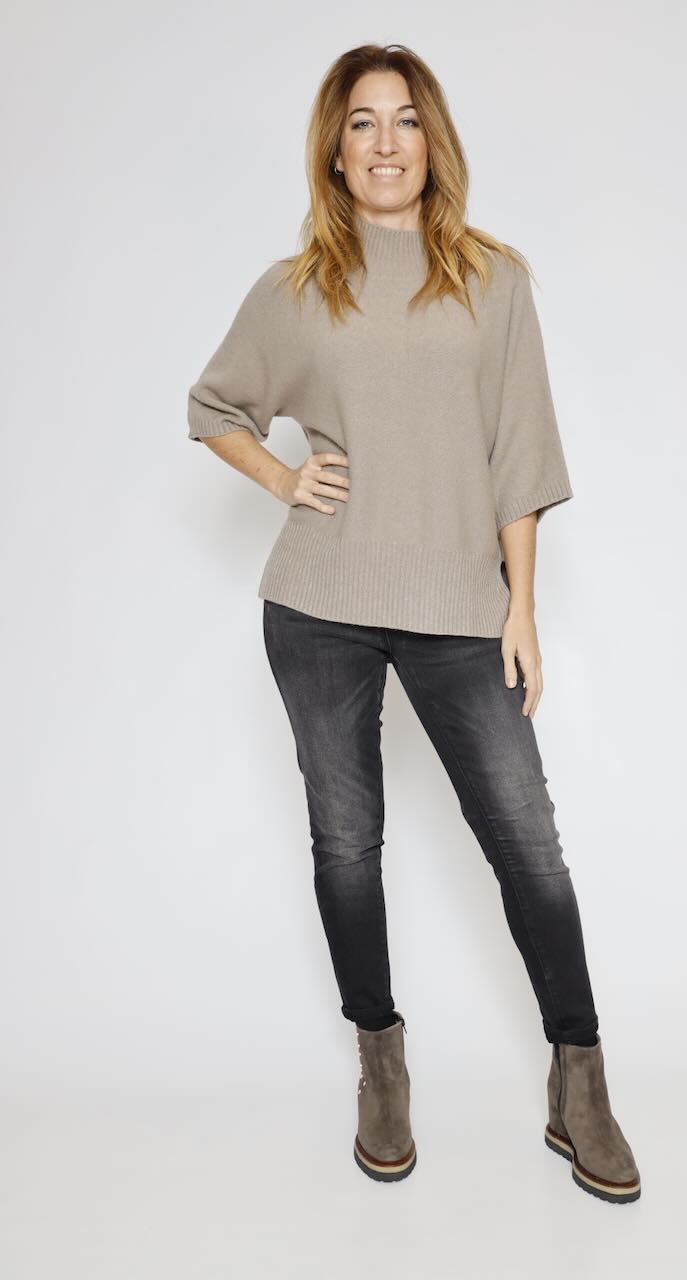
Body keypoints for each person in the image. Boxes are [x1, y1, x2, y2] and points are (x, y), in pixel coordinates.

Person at [187, 43, 640, 1203]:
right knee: (346, 843)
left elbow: (519, 454)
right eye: (360, 123)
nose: (384, 142)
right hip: (319, 605)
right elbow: (214, 404)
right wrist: (284, 480)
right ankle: (379, 1065)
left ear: (431, 142)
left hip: (457, 606)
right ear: (334, 152)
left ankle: (579, 1082)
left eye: (403, 120)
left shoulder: (494, 280)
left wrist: (519, 604)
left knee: (526, 844)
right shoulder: (296, 289)